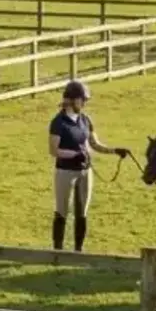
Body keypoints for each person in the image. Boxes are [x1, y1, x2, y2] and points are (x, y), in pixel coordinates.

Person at [46, 79, 131, 252]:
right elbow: (54, 150)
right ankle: (58, 250)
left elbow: (94, 144)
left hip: (85, 171)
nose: (84, 103)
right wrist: (75, 154)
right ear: (72, 100)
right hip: (65, 171)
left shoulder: (85, 119)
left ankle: (79, 249)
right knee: (62, 210)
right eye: (82, 100)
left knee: (82, 211)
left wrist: (115, 151)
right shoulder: (58, 122)